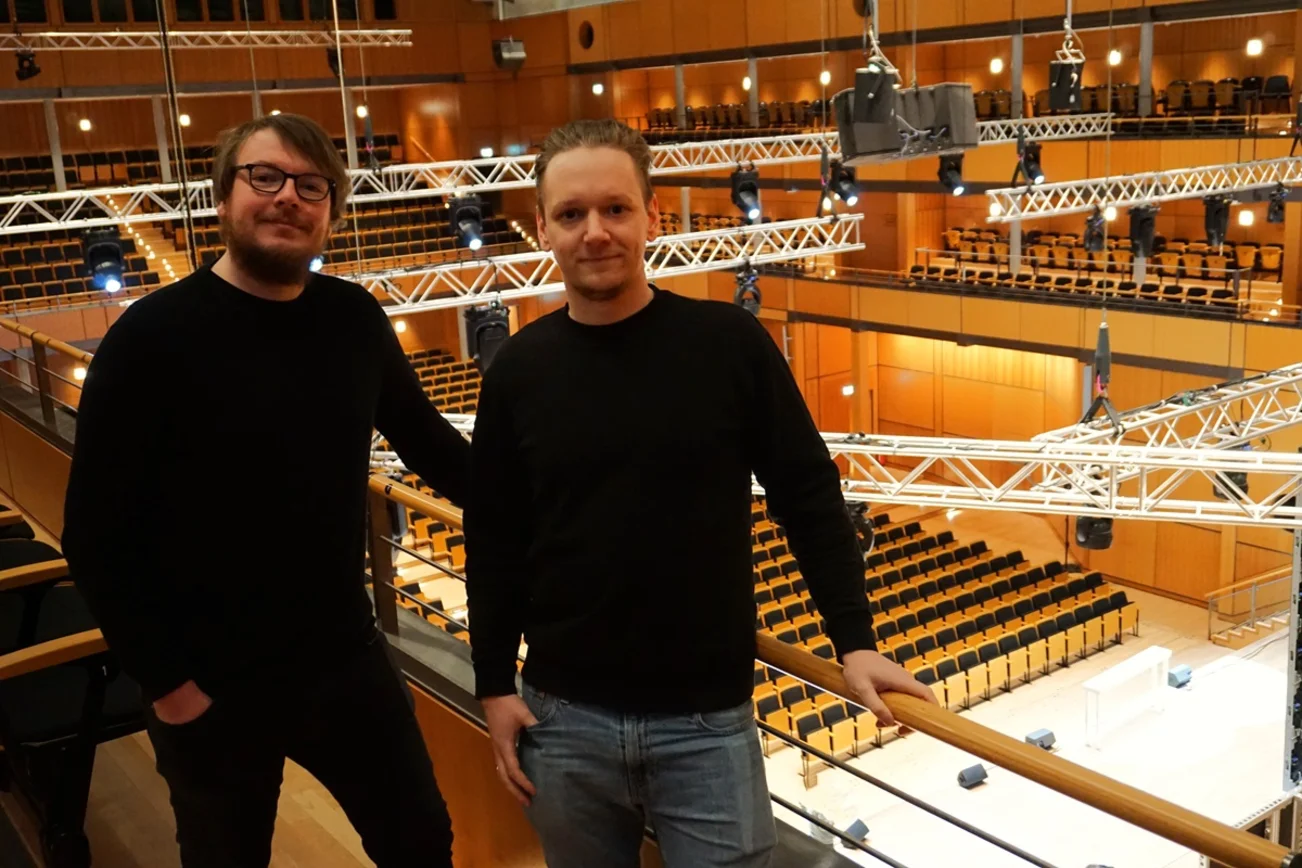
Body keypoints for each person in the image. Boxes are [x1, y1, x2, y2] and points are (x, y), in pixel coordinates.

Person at [464, 118, 937, 868]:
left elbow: (808, 494)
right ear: (542, 229)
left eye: (616, 209)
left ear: (654, 217)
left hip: (708, 724)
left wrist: (854, 640)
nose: (595, 232)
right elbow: (494, 536)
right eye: (571, 214)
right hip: (561, 718)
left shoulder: (728, 345)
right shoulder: (519, 371)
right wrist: (493, 683)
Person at [63, 113, 466, 868]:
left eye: (311, 186)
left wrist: (562, 497)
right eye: (265, 177)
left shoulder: (354, 319)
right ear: (222, 198)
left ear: (331, 214)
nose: (288, 197)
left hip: (345, 660)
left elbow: (434, 448)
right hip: (209, 681)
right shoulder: (150, 338)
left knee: (422, 842)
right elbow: (93, 535)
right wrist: (172, 687)